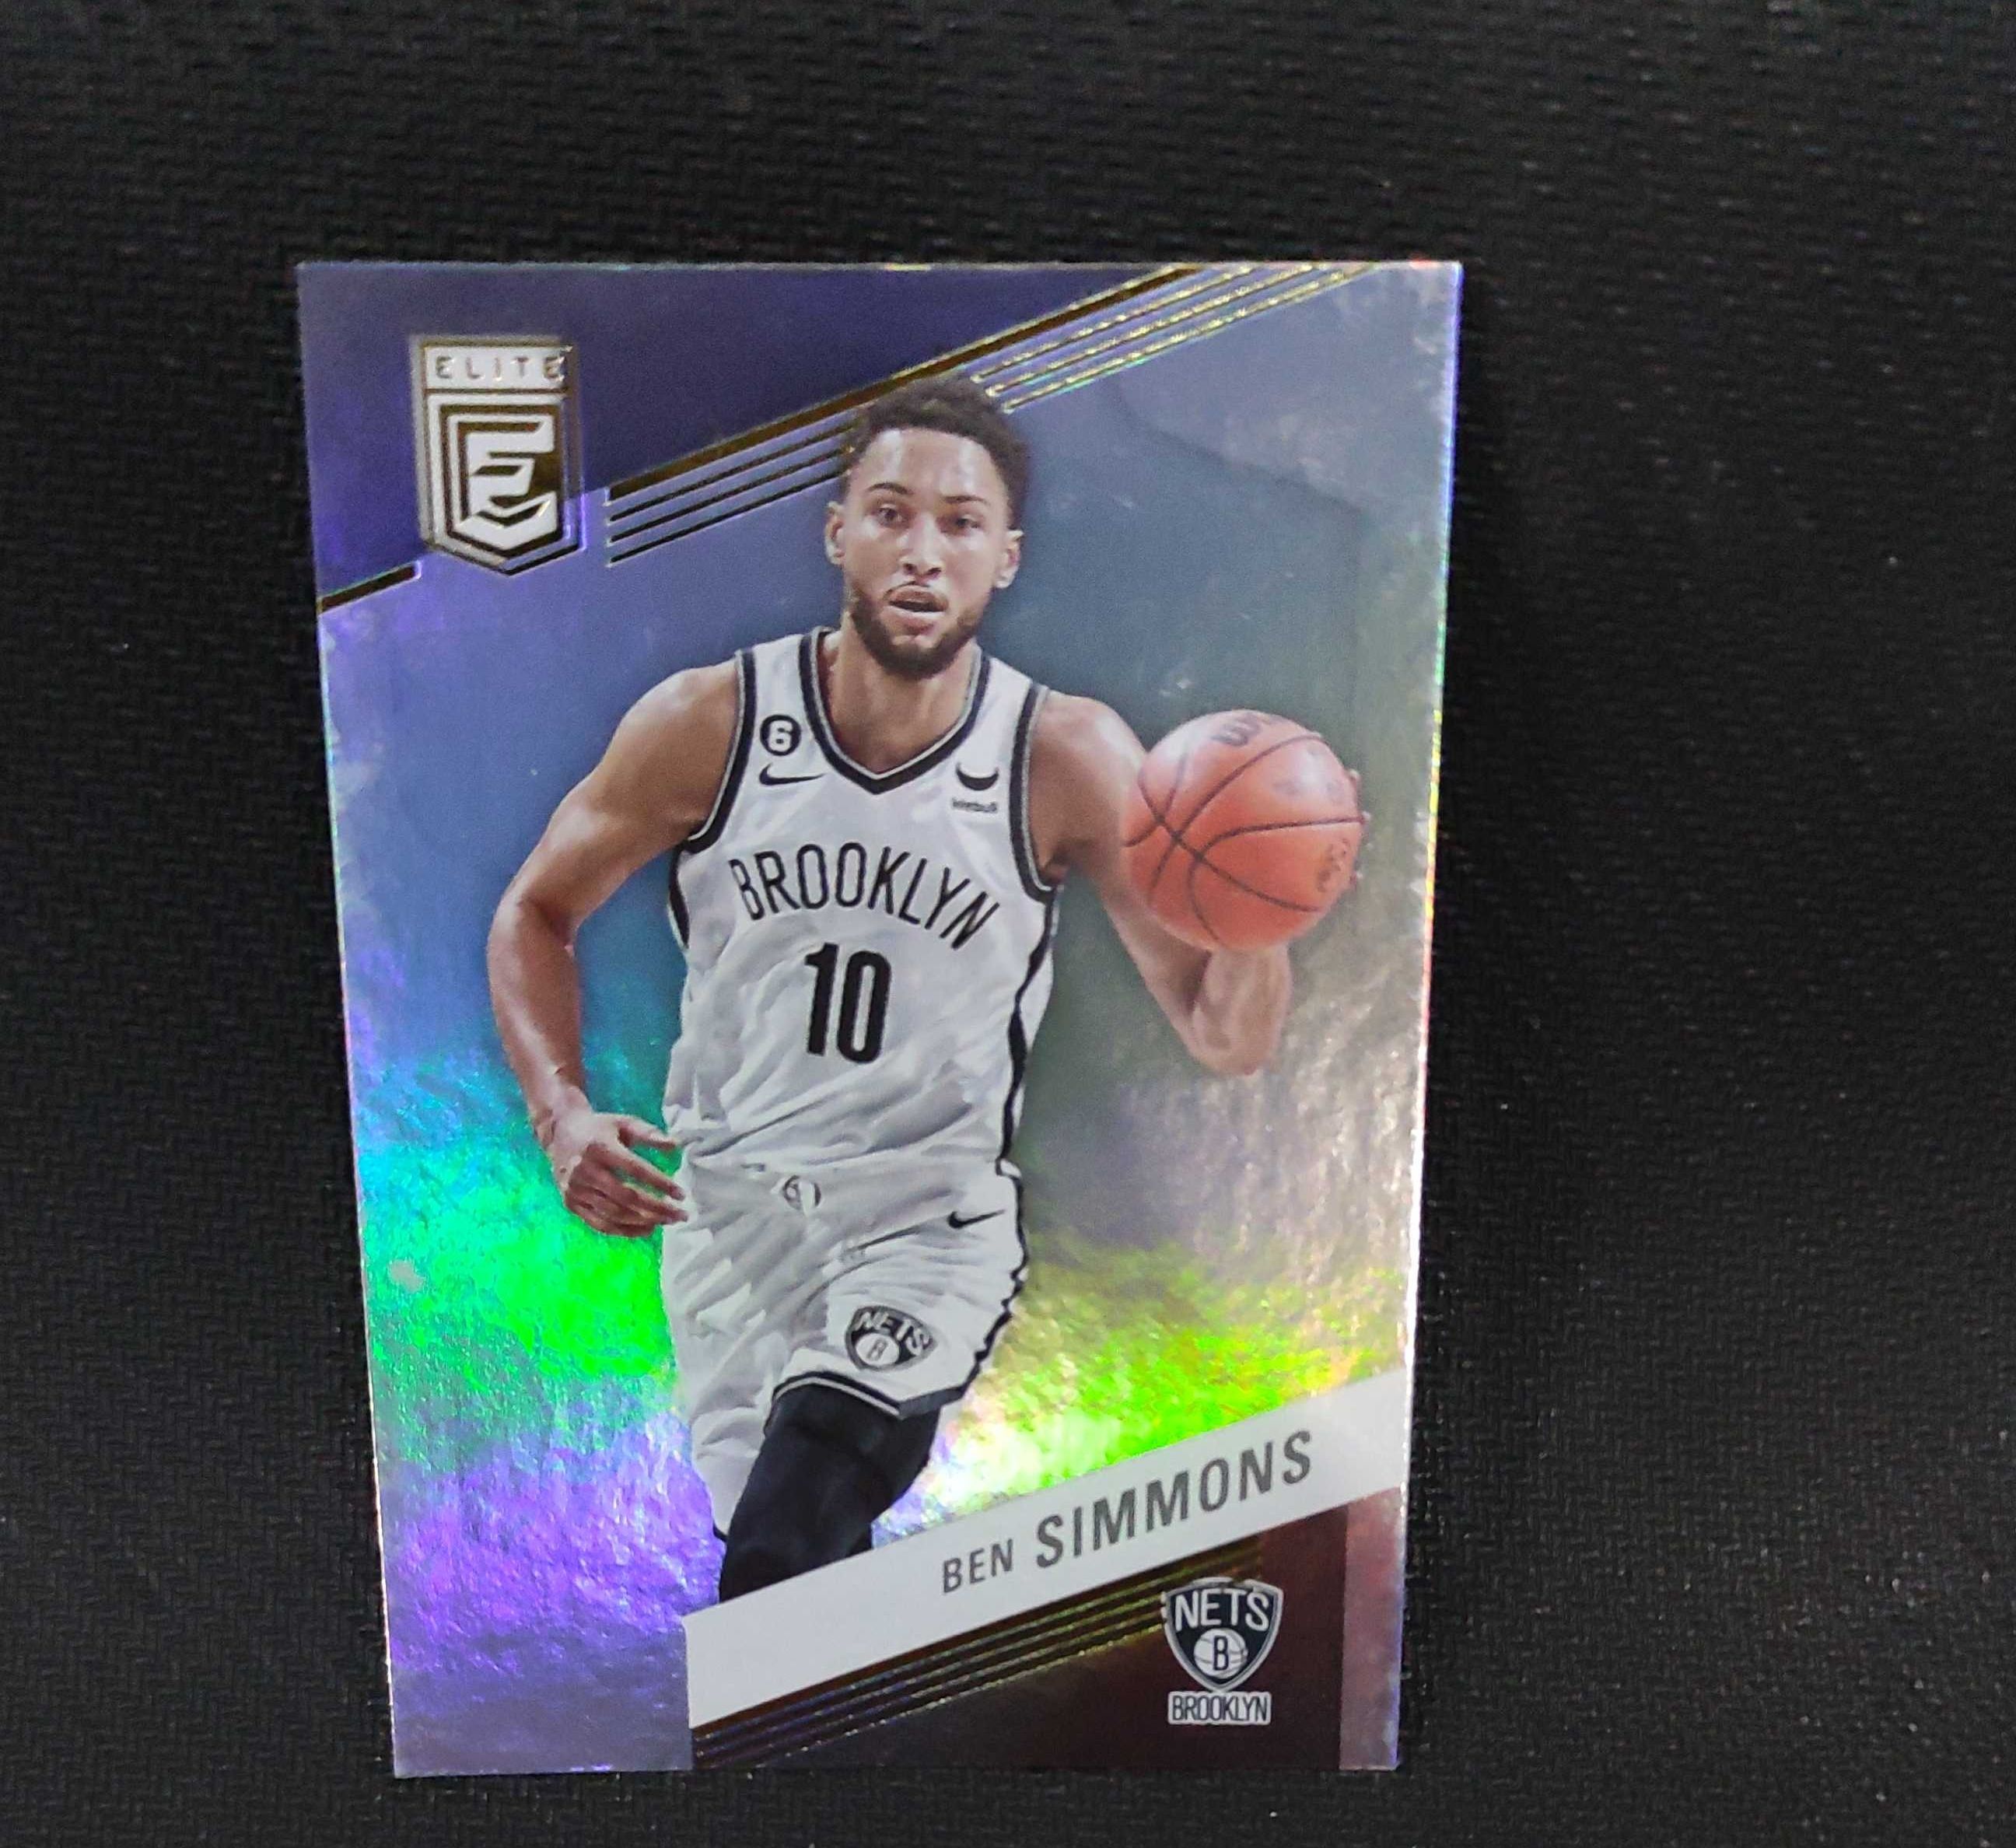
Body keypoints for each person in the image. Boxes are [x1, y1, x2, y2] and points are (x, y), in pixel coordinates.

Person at [488, 376, 1290, 1601]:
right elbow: (533, 913)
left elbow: (1222, 1033)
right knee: (794, 1597)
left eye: (961, 524)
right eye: (891, 513)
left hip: (922, 1223)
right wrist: (559, 1115)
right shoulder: (710, 723)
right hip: (728, 1230)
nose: (924, 552)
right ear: (837, 532)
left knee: (789, 1531)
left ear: (1006, 559)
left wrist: (1259, 915)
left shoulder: (1063, 754)